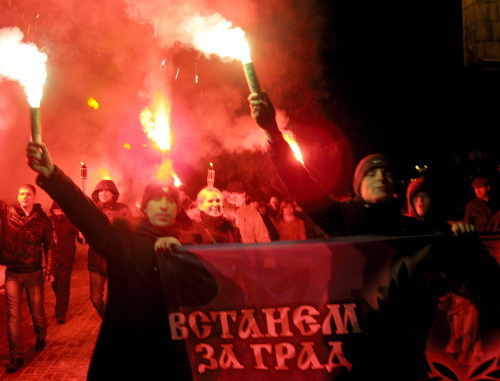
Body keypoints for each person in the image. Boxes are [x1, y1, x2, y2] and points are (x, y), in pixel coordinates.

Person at [247, 90, 496, 380]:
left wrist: (466, 242)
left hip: (406, 355)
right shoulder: (344, 218)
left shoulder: (417, 231)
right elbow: (304, 187)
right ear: (358, 187)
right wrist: (273, 133)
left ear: (394, 187)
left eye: (386, 174)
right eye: (370, 174)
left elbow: (479, 279)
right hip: (353, 351)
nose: (380, 177)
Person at [26, 141, 217, 380]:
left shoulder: (187, 244)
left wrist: (183, 257)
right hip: (124, 352)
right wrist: (53, 176)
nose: (164, 206)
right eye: (157, 199)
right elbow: (86, 213)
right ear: (146, 205)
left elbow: (209, 291)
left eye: (170, 202)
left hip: (169, 355)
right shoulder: (123, 239)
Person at [0, 184, 57, 372]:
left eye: (28, 194)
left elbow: (50, 246)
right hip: (13, 273)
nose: (24, 197)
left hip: (34, 273)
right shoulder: (7, 212)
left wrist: (50, 269)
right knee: (13, 315)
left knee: (37, 311)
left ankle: (41, 336)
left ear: (34, 197)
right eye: (21, 193)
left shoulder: (42, 220)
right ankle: (17, 356)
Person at [87, 179, 134, 318]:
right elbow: (84, 231)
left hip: (117, 261)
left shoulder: (123, 209)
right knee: (95, 299)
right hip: (96, 259)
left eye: (106, 190)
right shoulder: (91, 208)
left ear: (113, 193)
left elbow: (132, 233)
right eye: (100, 190)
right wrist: (82, 234)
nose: (103, 193)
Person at [49, 201, 81, 324]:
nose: (57, 212)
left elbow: (80, 236)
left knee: (63, 285)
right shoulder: (49, 221)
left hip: (67, 258)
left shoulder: (70, 220)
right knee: (55, 285)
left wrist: (82, 236)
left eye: (59, 210)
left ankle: (60, 313)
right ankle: (61, 303)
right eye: (55, 210)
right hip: (52, 260)